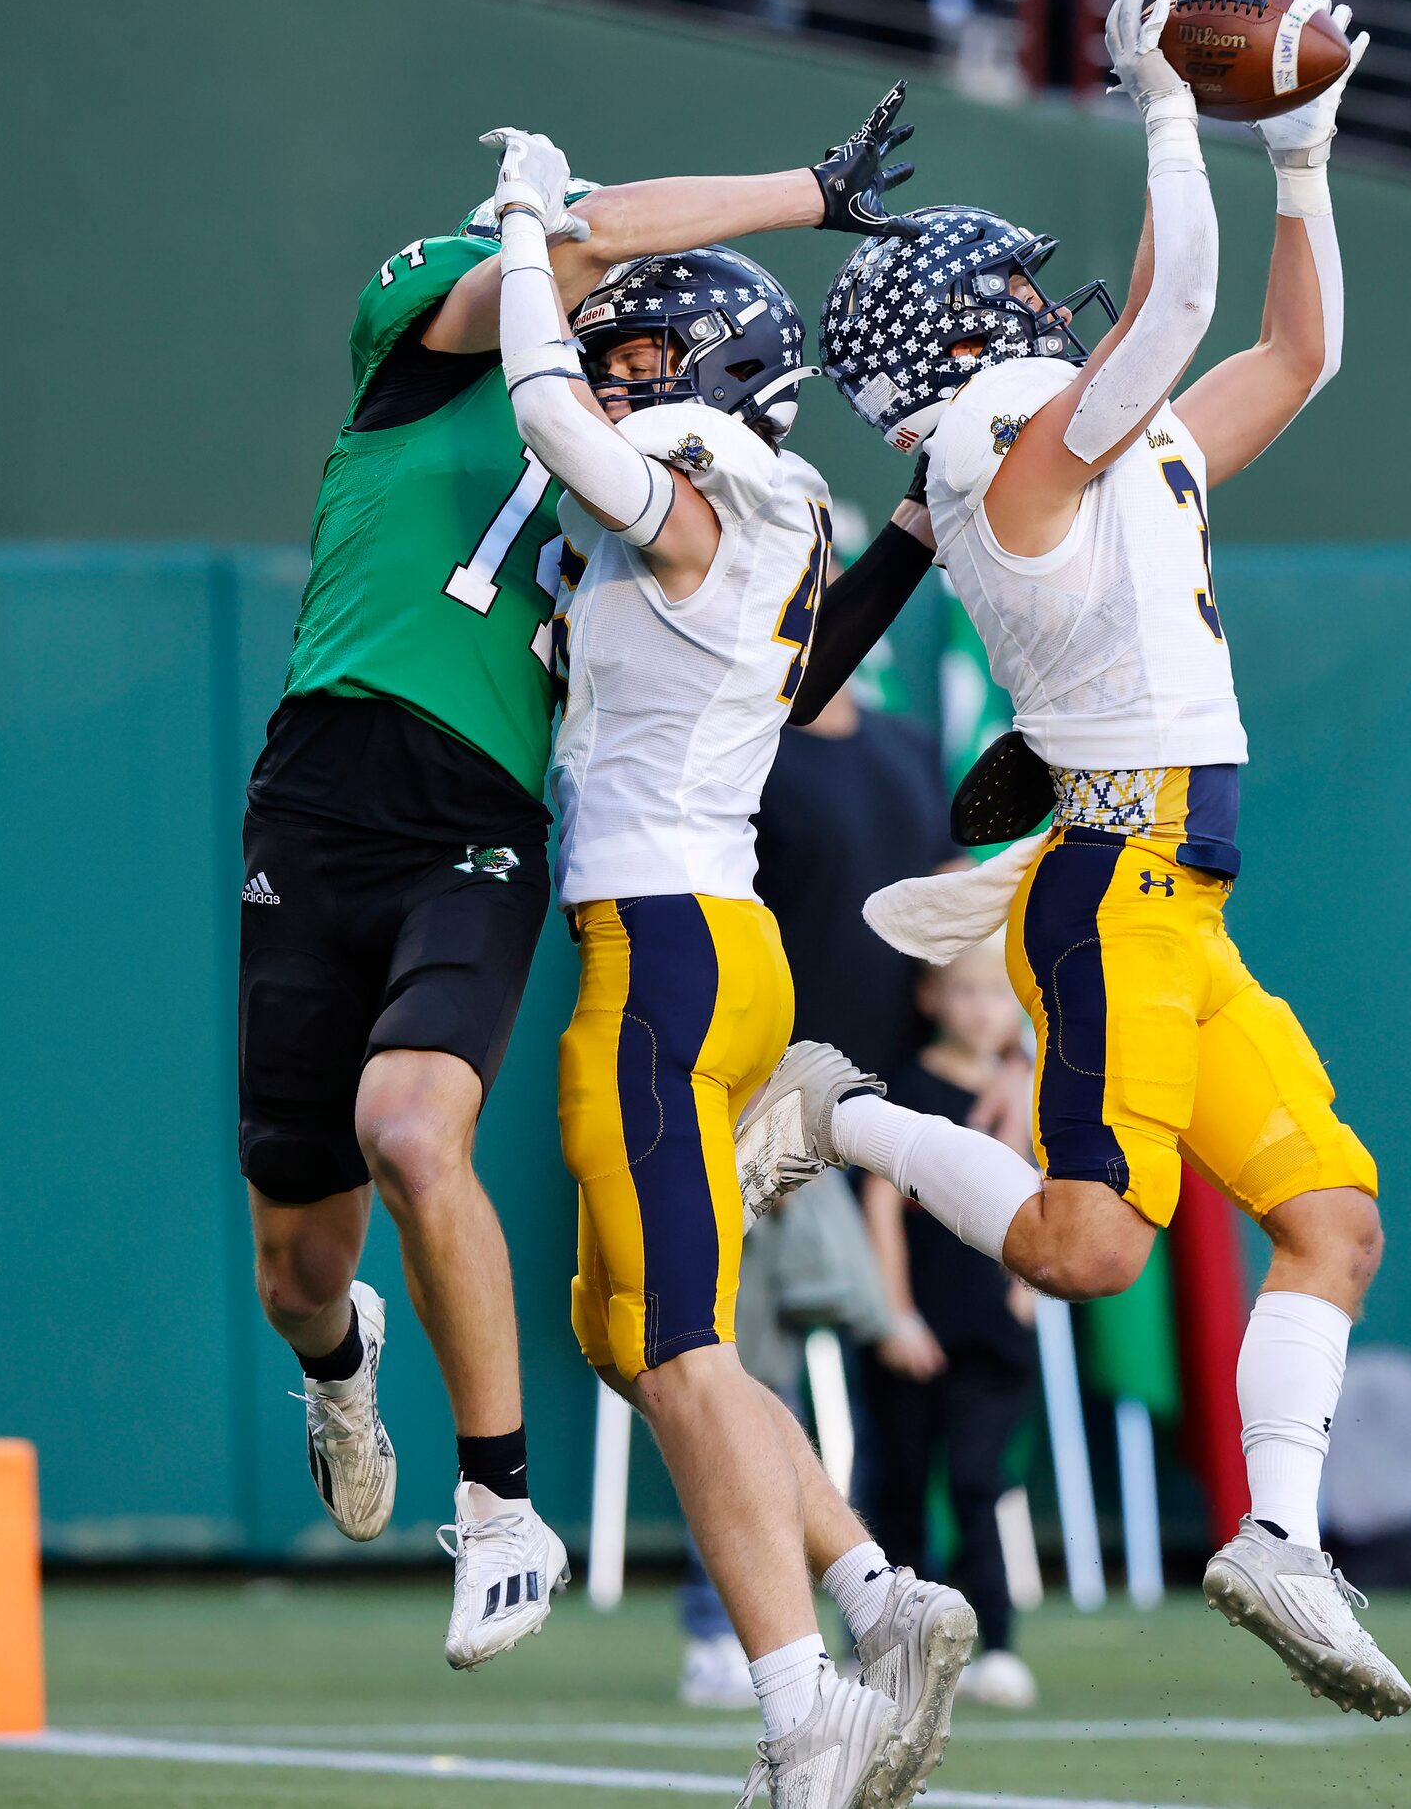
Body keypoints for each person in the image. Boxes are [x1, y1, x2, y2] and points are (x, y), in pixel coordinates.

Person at [237, 87, 922, 1672]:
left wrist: (902, 530)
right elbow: (576, 248)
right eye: (597, 314)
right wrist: (798, 195)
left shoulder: (643, 450)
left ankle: (498, 1506)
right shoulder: (437, 329)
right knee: (298, 1266)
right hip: (318, 793)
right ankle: (343, 1366)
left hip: (487, 817)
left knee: (412, 1128)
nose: (618, 340)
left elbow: (788, 669)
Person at [808, 0, 1411, 1721]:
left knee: (1334, 1218)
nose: (1038, 305)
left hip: (1180, 902)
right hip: (1111, 885)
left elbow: (1293, 353)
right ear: (952, 350)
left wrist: (1295, 146)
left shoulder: (1096, 452)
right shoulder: (1010, 462)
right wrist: (1162, 100)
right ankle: (839, 1106)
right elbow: (1184, 305)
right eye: (1007, 295)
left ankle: (1278, 1538)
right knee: (1087, 1251)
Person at [484, 125, 976, 1809]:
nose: (618, 381)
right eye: (617, 354)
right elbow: (807, 664)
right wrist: (909, 535)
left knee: (681, 1342)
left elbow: (550, 420)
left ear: (713, 369)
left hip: (663, 949)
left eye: (643, 353)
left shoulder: (705, 474)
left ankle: (802, 1706)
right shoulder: (774, 515)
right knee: (628, 1331)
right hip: (718, 942)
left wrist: (533, 231)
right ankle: (875, 1590)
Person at [859, 934, 1041, 1711]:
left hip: (991, 1334)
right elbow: (880, 1208)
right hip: (913, 1331)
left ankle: (994, 1645)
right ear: (929, 998)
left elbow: (1048, 1189)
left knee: (977, 1481)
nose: (978, 1008)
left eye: (994, 993)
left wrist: (1027, 1290)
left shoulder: (1028, 1094)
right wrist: (893, 1314)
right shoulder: (902, 1092)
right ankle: (891, 1649)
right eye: (961, 990)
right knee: (896, 1484)